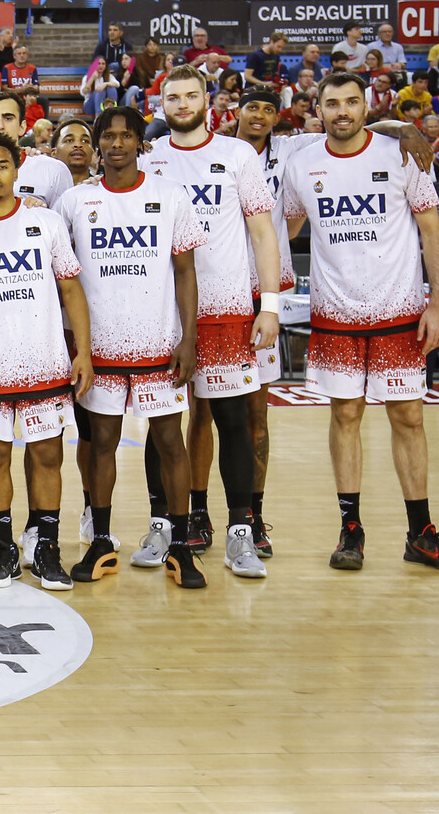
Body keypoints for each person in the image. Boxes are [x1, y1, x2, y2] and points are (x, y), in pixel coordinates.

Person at [279, 73, 439, 575]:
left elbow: (432, 231)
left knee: (409, 418)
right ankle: (351, 531)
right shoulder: (300, 164)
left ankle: (421, 535)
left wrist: (437, 304)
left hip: (400, 312)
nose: (342, 111)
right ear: (318, 110)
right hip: (336, 315)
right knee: (345, 416)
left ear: (367, 107)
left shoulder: (401, 155)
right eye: (332, 104)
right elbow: (287, 227)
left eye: (352, 102)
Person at [54, 107, 208, 588]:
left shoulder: (170, 195)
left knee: (170, 442)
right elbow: (62, 276)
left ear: (141, 142)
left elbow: (185, 271)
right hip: (99, 348)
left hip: (159, 343)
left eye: (126, 136)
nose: (117, 144)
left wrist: (189, 337)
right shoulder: (74, 201)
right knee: (101, 443)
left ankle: (180, 546)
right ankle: (100, 539)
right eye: (108, 136)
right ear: (97, 143)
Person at [138, 66, 281, 578]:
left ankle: (241, 533)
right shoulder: (149, 158)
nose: (182, 104)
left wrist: (269, 305)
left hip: (226, 309)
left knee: (233, 421)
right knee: (163, 426)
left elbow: (263, 233)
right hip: (163, 314)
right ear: (161, 104)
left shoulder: (238, 155)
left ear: (207, 101)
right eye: (172, 97)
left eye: (190, 95)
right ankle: (164, 524)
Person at [0, 132, 93, 591]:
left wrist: (83, 351)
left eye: (2, 165)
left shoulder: (45, 222)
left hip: (44, 362)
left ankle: (47, 550)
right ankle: (4, 551)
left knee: (47, 455)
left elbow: (71, 289)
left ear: (17, 169)